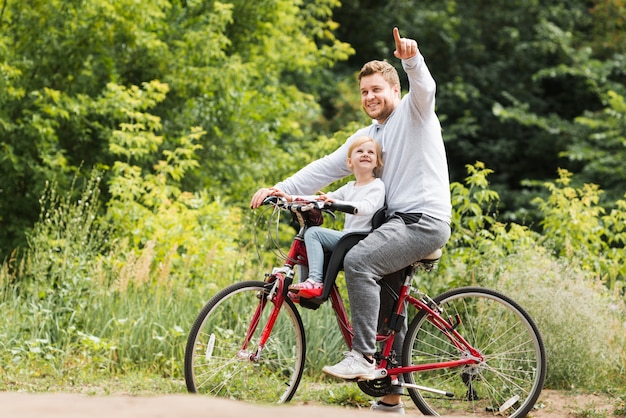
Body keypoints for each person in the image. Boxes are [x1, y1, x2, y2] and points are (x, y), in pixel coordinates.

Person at [251, 27, 451, 414]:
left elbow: (425, 88)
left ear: (395, 90)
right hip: (394, 224)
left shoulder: (415, 113)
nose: (370, 97)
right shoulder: (369, 136)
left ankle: (361, 356)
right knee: (387, 308)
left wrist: (411, 59)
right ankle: (391, 398)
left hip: (422, 220)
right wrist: (281, 189)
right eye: (364, 92)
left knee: (359, 261)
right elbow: (325, 169)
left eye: (377, 89)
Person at [272, 136, 385, 300]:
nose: (365, 154)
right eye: (359, 151)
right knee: (305, 240)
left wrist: (336, 203)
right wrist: (289, 198)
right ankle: (304, 288)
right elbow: (321, 200)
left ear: (377, 162)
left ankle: (315, 282)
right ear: (349, 162)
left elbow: (366, 207)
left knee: (314, 233)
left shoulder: (377, 186)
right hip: (348, 237)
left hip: (362, 239)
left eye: (370, 152)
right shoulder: (349, 187)